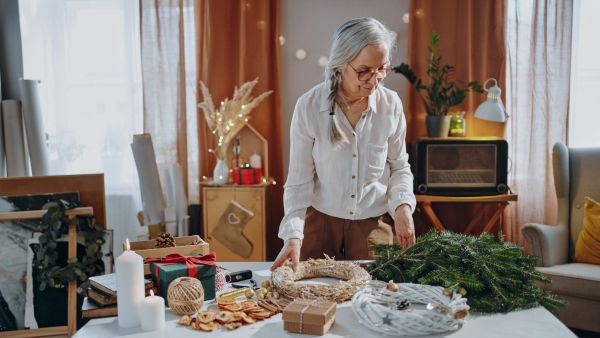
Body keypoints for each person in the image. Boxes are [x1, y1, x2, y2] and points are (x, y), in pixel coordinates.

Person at [271, 18, 416, 272]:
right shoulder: (308, 107)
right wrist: (293, 235)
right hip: (319, 223)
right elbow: (299, 181)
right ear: (340, 65)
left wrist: (403, 206)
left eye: (382, 68)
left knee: (378, 295)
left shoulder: (391, 105)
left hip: (374, 222)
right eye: (363, 71)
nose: (374, 80)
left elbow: (399, 167)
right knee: (315, 299)